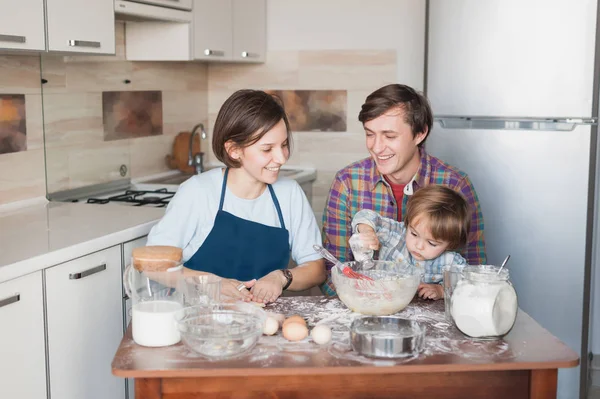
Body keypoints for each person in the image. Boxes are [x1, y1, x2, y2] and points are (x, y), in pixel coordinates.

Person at [147, 89, 326, 304]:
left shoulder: (289, 193)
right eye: (267, 149)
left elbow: (316, 268)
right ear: (233, 150)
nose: (281, 158)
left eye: (284, 145)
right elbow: (152, 265)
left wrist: (281, 277)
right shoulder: (198, 192)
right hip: (198, 322)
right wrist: (210, 283)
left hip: (260, 321)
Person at [321, 84, 486, 296]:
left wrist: (438, 292)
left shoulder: (456, 184)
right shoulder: (347, 183)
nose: (377, 147)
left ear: (420, 133)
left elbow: (475, 276)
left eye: (389, 136)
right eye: (370, 134)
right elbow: (332, 275)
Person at [350, 185, 469, 300]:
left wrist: (441, 290)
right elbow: (365, 215)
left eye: (432, 243)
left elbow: (467, 285)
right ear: (408, 223)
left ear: (451, 244)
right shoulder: (395, 234)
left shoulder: (451, 261)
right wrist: (367, 231)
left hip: (420, 314)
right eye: (414, 234)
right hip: (379, 301)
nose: (419, 246)